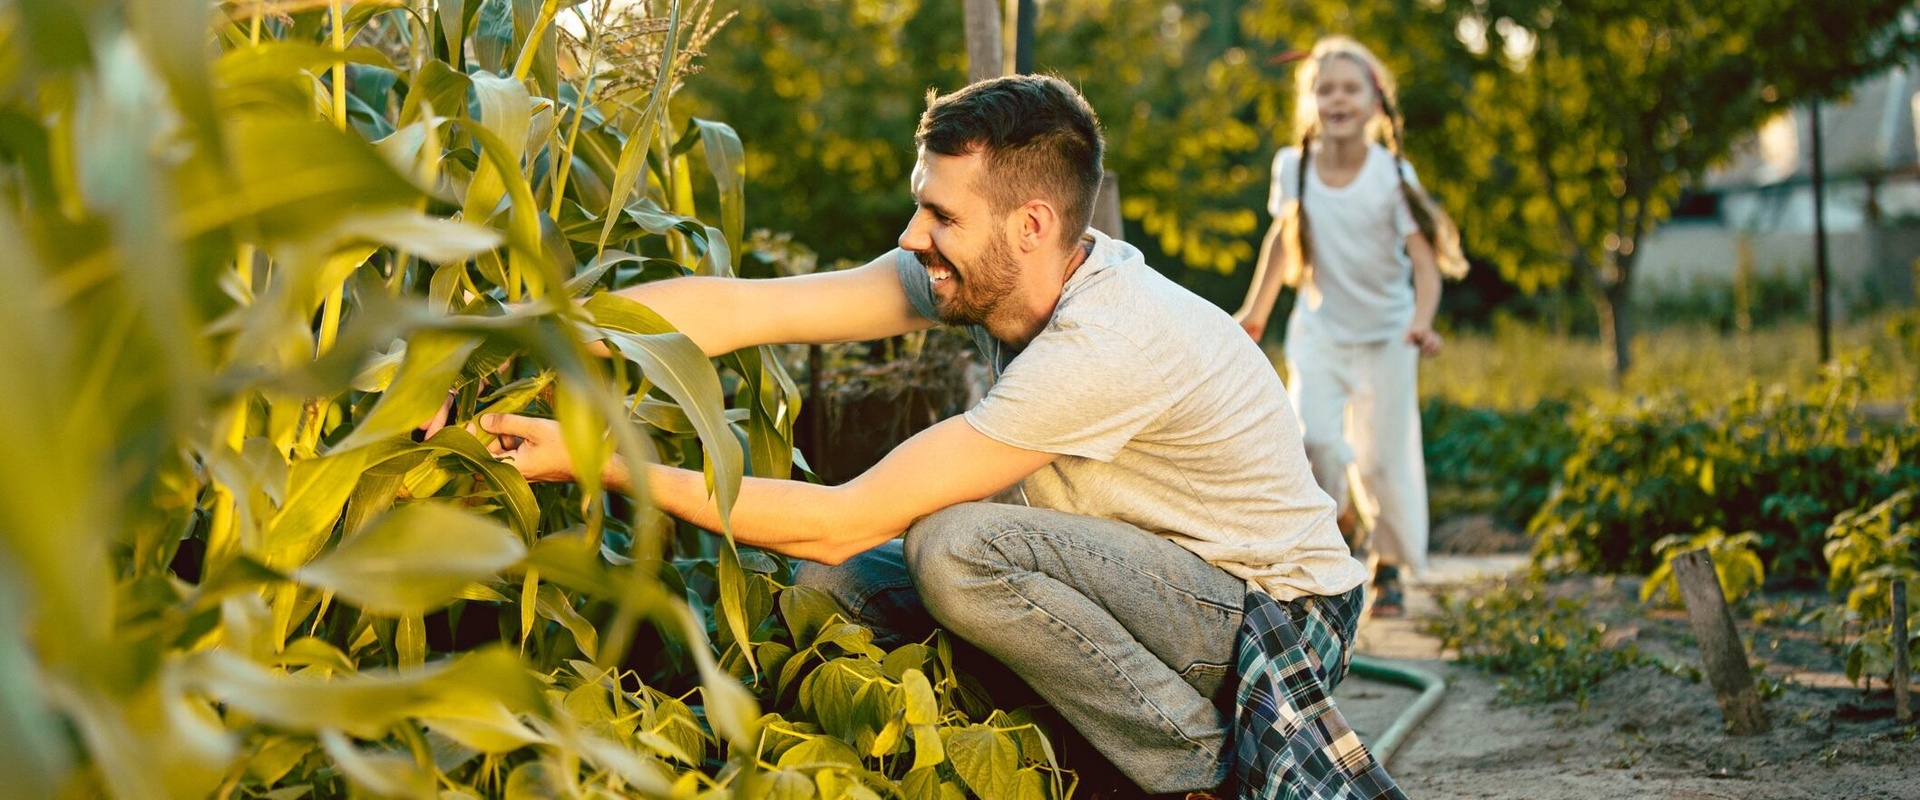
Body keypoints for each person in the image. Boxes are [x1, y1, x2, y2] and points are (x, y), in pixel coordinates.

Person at [480, 74, 1389, 797]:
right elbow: (741, 310)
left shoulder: (1107, 340)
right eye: (923, 204)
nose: (913, 234)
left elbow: (842, 514)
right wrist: (511, 339)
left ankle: (1196, 772)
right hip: (1144, 576)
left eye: (941, 215)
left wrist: (601, 463)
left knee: (952, 547)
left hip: (1271, 617)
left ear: (1031, 225)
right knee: (831, 588)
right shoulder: (987, 271)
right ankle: (1067, 748)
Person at [1233, 36, 1467, 617]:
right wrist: (1255, 312)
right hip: (1322, 331)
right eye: (1324, 88)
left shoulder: (1391, 173)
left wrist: (1422, 322)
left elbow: (1425, 264)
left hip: (1388, 336)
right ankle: (1339, 523)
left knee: (1383, 460)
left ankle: (1387, 568)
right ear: (1311, 101)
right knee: (1313, 441)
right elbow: (1283, 245)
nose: (1336, 98)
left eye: (1349, 88)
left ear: (1374, 101)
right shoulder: (1295, 168)